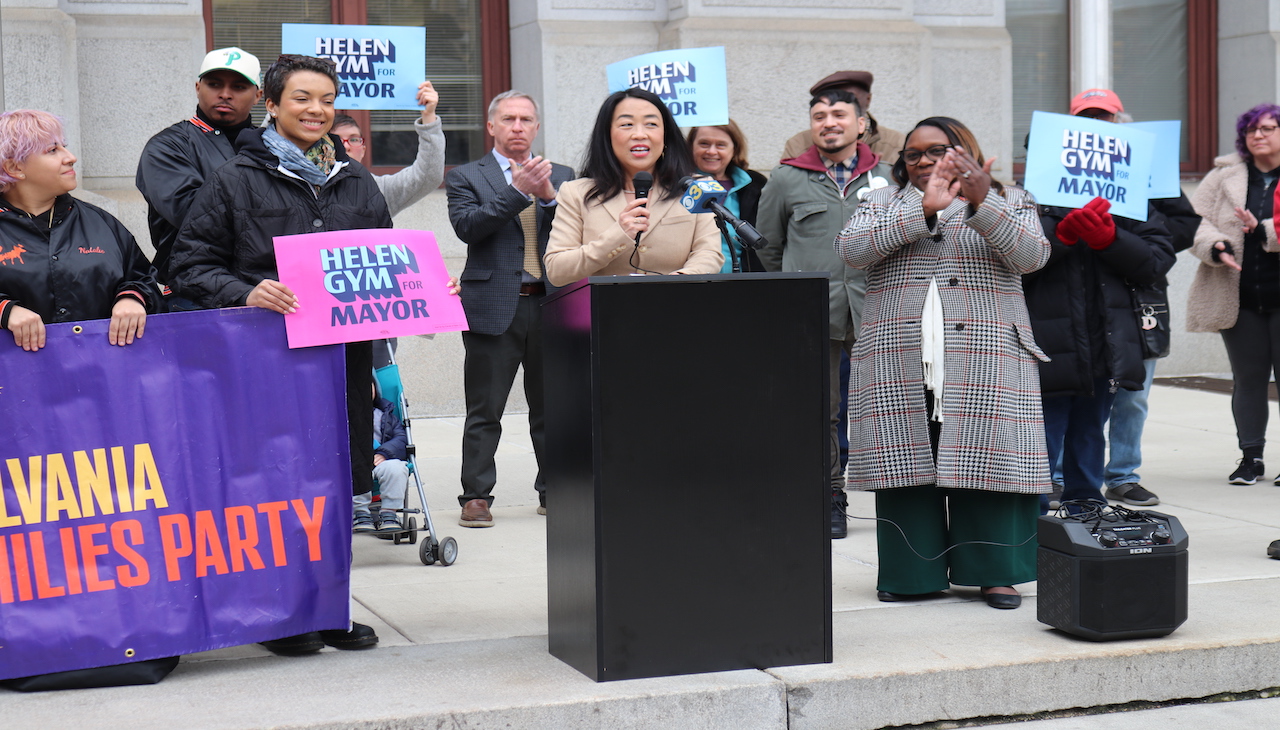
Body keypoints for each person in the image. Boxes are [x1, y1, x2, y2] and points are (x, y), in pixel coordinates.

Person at [169, 54, 392, 655]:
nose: (317, 110)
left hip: (340, 358)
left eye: (326, 99)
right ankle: (283, 616)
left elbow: (384, 261)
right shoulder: (236, 179)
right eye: (301, 98)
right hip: (266, 361)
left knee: (338, 481)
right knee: (277, 483)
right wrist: (247, 290)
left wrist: (421, 289)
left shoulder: (356, 179)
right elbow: (188, 264)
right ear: (272, 104)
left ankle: (330, 608)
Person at [835, 117, 1050, 609]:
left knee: (989, 456)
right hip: (900, 353)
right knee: (906, 460)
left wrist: (980, 201)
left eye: (938, 150)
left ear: (965, 150)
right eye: (914, 154)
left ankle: (996, 572)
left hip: (987, 352)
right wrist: (922, 211)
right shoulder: (882, 201)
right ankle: (912, 574)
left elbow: (1033, 256)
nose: (926, 161)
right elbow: (850, 250)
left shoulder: (1010, 198)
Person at [756, 88, 892, 539]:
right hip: (814, 314)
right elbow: (768, 248)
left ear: (861, 124)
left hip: (879, 310)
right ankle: (830, 493)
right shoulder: (786, 179)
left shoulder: (890, 177)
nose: (828, 122)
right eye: (819, 116)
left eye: (838, 114)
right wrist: (792, 294)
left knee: (887, 408)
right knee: (822, 410)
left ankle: (898, 493)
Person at [1060, 89, 1201, 508]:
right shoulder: (1055, 173)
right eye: (1090, 118)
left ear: (1122, 123)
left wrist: (1126, 230)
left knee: (1132, 395)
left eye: (1106, 117)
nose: (1100, 125)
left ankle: (1122, 474)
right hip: (1078, 297)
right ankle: (1059, 476)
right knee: (1072, 393)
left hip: (1137, 298)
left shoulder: (1149, 172)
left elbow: (1183, 225)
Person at [446, 90, 574, 528]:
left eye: (526, 119)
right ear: (492, 127)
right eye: (509, 119)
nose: (518, 126)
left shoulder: (565, 174)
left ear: (537, 126)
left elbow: (575, 236)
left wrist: (551, 198)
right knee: (485, 409)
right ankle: (476, 496)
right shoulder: (467, 176)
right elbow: (469, 228)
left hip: (554, 304)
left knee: (554, 407)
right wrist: (519, 192)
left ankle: (555, 487)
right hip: (493, 307)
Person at [0, 110, 160, 350]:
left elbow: (143, 278)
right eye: (53, 150)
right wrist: (5, 311)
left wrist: (132, 298)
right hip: (17, 381)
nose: (71, 157)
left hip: (100, 373)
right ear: (14, 168)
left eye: (64, 147)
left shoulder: (101, 222)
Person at [1186, 103, 1280, 485]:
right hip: (1239, 298)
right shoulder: (1224, 176)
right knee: (1249, 378)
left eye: (1268, 128)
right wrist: (1216, 244)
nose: (1258, 135)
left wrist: (1264, 231)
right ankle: (1251, 458)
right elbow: (1193, 221)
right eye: (1251, 130)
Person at [544, 87, 722, 284]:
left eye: (651, 124)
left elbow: (709, 253)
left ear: (666, 135)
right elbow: (557, 270)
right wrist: (617, 235)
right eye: (627, 124)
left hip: (677, 307)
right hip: (606, 310)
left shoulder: (696, 187)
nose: (639, 134)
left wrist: (680, 282)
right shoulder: (576, 193)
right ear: (607, 136)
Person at [136, 47, 262, 302]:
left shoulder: (271, 146)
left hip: (268, 291)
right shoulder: (168, 145)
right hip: (195, 294)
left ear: (258, 96)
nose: (225, 94)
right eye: (214, 84)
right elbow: (193, 214)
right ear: (197, 87)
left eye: (238, 87)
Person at [331, 80, 444, 217]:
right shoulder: (305, 188)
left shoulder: (379, 189)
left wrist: (428, 116)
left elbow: (427, 176)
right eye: (336, 140)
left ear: (363, 150)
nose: (346, 146)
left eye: (354, 139)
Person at [686, 120, 767, 272]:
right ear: (691, 146)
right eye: (704, 143)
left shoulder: (756, 185)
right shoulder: (675, 186)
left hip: (745, 284)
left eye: (720, 145)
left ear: (734, 149)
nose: (711, 151)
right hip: (695, 280)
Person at [780, 71, 905, 164]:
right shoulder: (798, 144)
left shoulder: (897, 143)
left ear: (868, 99)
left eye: (849, 97)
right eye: (831, 99)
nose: (841, 102)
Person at [369, 380, 411, 534]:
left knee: (397, 468)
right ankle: (358, 512)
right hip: (353, 463)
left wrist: (384, 453)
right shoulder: (338, 416)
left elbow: (401, 438)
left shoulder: (385, 415)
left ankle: (389, 514)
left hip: (382, 460)